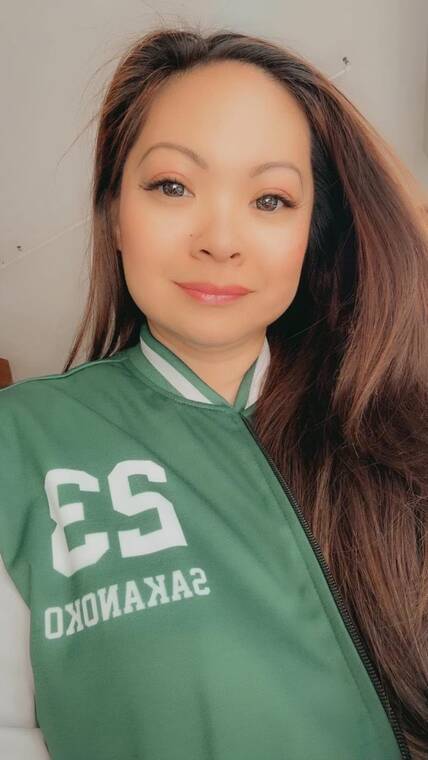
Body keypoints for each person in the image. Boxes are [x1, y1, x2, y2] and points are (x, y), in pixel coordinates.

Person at [0, 24, 426, 760]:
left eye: (271, 199)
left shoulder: (394, 436)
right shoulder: (20, 445)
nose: (221, 241)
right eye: (173, 186)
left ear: (312, 235)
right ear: (114, 212)